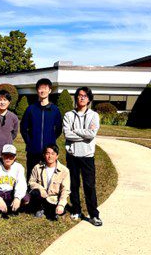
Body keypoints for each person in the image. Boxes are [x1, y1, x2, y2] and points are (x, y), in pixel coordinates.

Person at [63, 86, 102, 227]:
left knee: (89, 186)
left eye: (85, 96)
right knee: (74, 184)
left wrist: (76, 131)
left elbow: (92, 134)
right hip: (72, 155)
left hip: (87, 156)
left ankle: (94, 215)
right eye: (79, 95)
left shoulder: (94, 115)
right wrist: (84, 134)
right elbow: (67, 134)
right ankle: (76, 210)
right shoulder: (69, 115)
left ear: (89, 99)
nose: (81, 98)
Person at [20, 78, 62, 181]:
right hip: (33, 150)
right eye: (40, 88)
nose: (42, 91)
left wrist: (51, 139)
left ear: (50, 90)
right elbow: (23, 128)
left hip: (48, 152)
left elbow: (59, 129)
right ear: (37, 90)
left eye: (45, 88)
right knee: (31, 175)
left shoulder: (55, 110)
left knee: (48, 176)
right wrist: (30, 142)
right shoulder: (31, 109)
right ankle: (30, 195)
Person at [28, 144, 70, 220]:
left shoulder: (64, 170)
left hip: (54, 198)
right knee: (35, 192)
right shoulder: (37, 167)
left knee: (57, 213)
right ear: (44, 155)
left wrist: (61, 204)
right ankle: (39, 208)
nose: (50, 156)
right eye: (47, 153)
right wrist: (41, 189)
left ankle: (52, 209)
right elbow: (31, 182)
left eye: (53, 154)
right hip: (41, 196)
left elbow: (65, 189)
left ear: (57, 156)